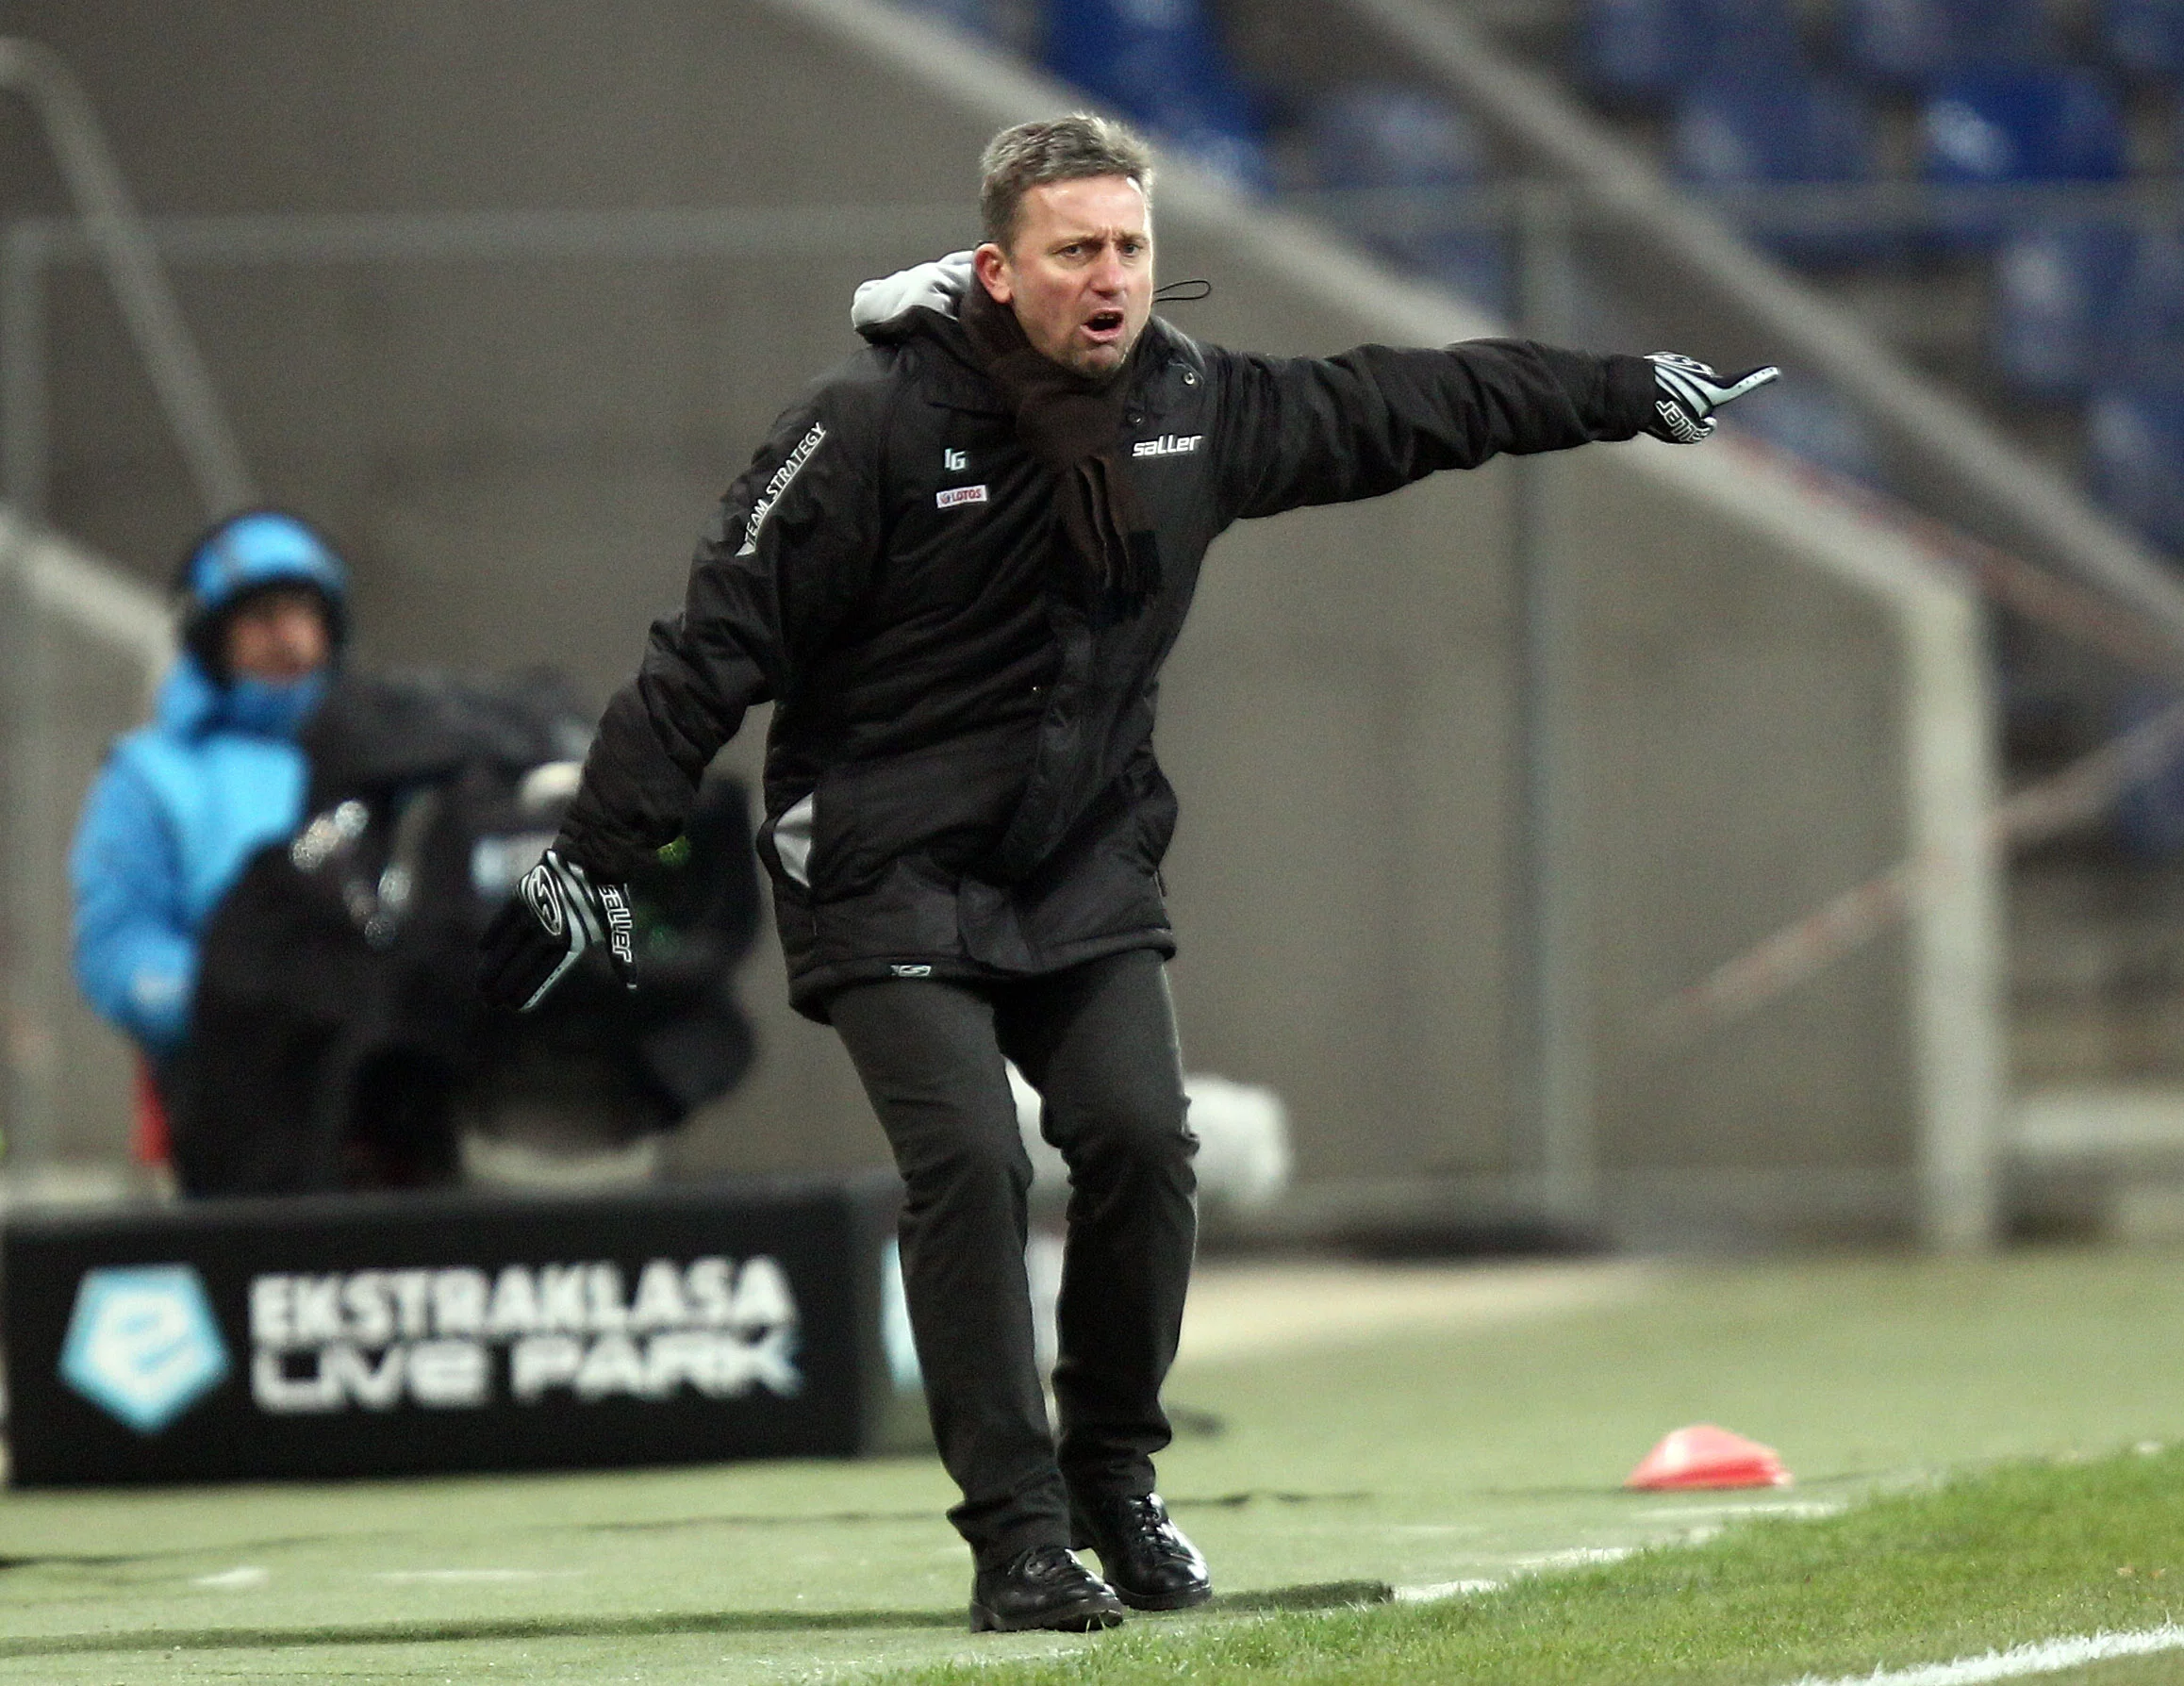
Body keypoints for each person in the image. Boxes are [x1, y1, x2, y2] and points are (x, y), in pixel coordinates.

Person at [478, 113, 1777, 1632]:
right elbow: (712, 646)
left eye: (1132, 247)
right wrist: (601, 847)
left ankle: (1113, 1481)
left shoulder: (1191, 406)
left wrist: (1616, 391)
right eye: (1076, 250)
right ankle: (1018, 1542)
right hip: (883, 862)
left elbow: (1408, 403)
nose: (1111, 277)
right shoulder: (864, 425)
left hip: (1078, 859)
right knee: (972, 1164)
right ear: (997, 269)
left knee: (1145, 1143)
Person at [71, 509, 347, 1116]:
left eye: (306, 613)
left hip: (376, 1095)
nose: (291, 638)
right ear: (210, 635)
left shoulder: (375, 759)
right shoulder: (148, 776)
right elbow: (118, 947)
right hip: (223, 1103)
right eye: (264, 616)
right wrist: (236, 994)